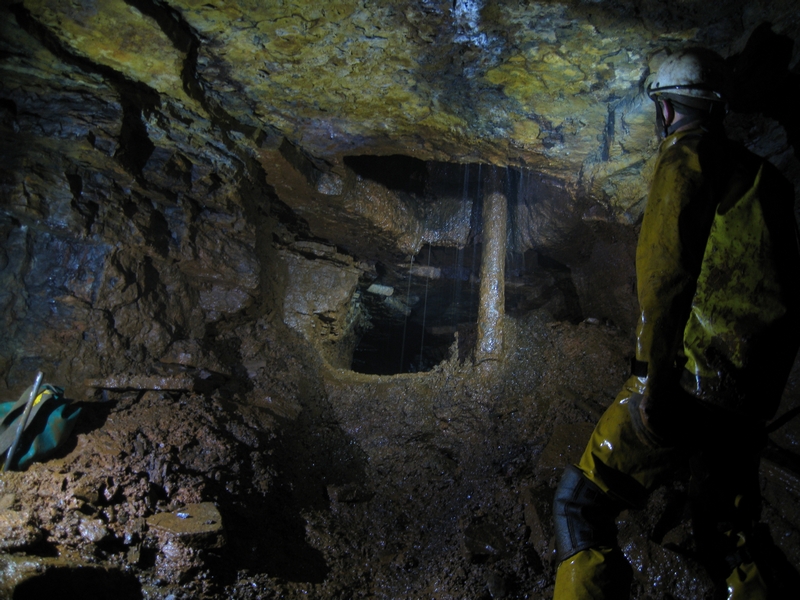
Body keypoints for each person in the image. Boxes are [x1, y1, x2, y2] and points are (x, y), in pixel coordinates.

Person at [551, 48, 800, 599]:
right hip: (743, 400)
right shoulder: (771, 182)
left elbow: (666, 276)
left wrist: (654, 381)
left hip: (686, 382)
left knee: (580, 507)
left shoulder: (686, 156)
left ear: (665, 110)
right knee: (729, 538)